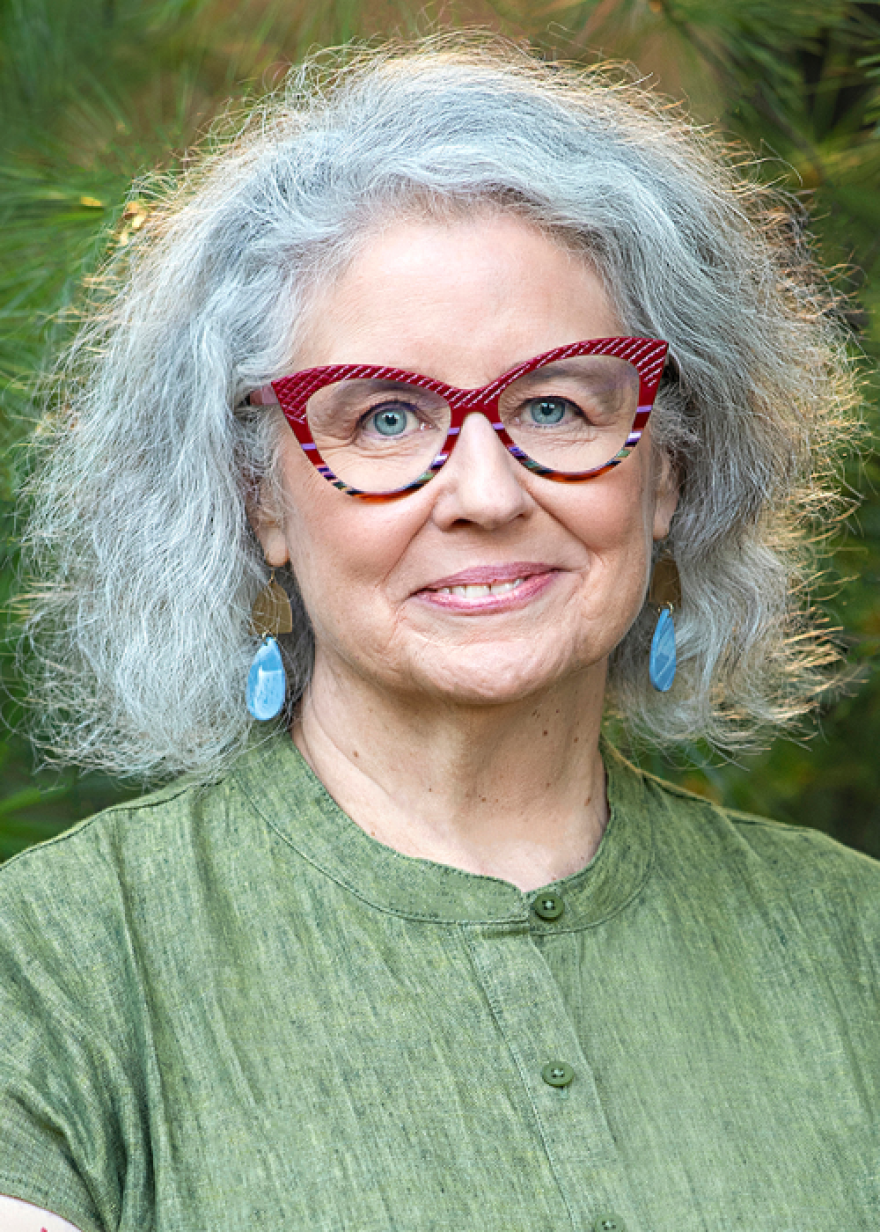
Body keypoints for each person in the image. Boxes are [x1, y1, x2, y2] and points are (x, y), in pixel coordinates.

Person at [1, 37, 875, 1232]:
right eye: (388, 416)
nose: (483, 490)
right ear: (263, 497)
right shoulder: (52, 964)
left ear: (665, 473)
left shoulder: (852, 942)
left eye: (556, 404)